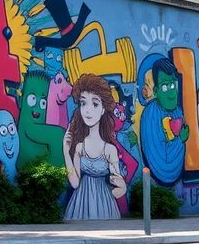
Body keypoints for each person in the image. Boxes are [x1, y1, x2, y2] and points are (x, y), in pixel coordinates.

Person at [62, 74, 127, 220]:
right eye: (83, 103)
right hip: (80, 204)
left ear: (103, 109)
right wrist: (66, 152)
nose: (87, 110)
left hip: (105, 206)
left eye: (95, 104)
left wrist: (115, 191)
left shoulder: (110, 150)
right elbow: (74, 183)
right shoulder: (79, 147)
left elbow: (119, 184)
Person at [140, 58, 188, 185]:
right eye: (165, 87)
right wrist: (180, 140)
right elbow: (160, 164)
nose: (172, 93)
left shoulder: (177, 111)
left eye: (173, 85)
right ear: (156, 91)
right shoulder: (150, 115)